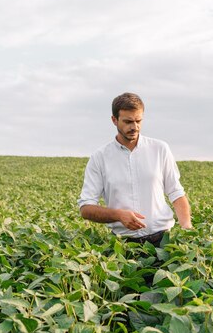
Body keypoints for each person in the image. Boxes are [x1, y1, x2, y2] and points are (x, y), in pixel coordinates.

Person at [78, 92, 192, 247]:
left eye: (139, 120)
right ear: (114, 120)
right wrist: (118, 215)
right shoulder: (100, 158)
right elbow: (85, 208)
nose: (134, 127)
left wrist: (186, 227)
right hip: (124, 246)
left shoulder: (160, 149)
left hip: (163, 241)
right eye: (128, 121)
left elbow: (176, 193)